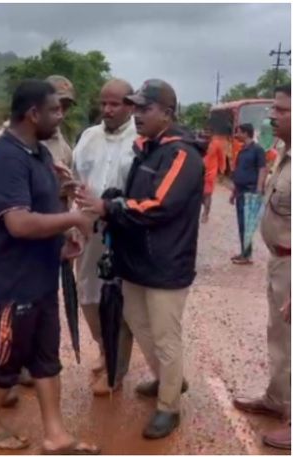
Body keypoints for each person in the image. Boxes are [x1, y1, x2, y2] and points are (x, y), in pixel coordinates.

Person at [0, 78, 99, 454]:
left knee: (46, 357)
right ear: (33, 113)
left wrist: (62, 233)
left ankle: (56, 434)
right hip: (11, 281)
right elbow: (19, 222)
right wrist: (74, 220)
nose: (61, 116)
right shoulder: (6, 158)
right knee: (6, 359)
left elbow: (43, 207)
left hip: (42, 278)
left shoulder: (39, 154)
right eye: (55, 109)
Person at [76, 79, 204, 439]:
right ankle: (169, 379)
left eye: (144, 108)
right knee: (138, 322)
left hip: (166, 263)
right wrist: (115, 197)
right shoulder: (148, 148)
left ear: (167, 112)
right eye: (136, 106)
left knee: (165, 335)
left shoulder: (181, 154)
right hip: (137, 260)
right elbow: (135, 195)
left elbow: (159, 205)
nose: (137, 113)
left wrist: (109, 206)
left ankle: (169, 407)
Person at [232, 84, 291, 450]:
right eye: (276, 110)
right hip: (279, 262)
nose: (274, 116)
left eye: (284, 111)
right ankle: (279, 399)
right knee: (281, 338)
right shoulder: (284, 152)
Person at [71, 78, 137, 396]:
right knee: (88, 293)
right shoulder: (88, 138)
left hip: (126, 228)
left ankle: (116, 368)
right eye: (104, 103)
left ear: (130, 105)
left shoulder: (141, 139)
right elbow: (75, 181)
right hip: (88, 225)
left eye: (115, 104)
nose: (108, 110)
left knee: (119, 297)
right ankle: (104, 346)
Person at [229, 123, 268, 265]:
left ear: (246, 133)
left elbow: (262, 169)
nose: (236, 135)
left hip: (250, 192)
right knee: (242, 223)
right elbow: (238, 171)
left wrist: (258, 190)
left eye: (238, 132)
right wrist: (233, 193)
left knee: (247, 224)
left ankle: (246, 255)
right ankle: (244, 252)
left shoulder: (257, 150)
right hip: (240, 192)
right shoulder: (242, 151)